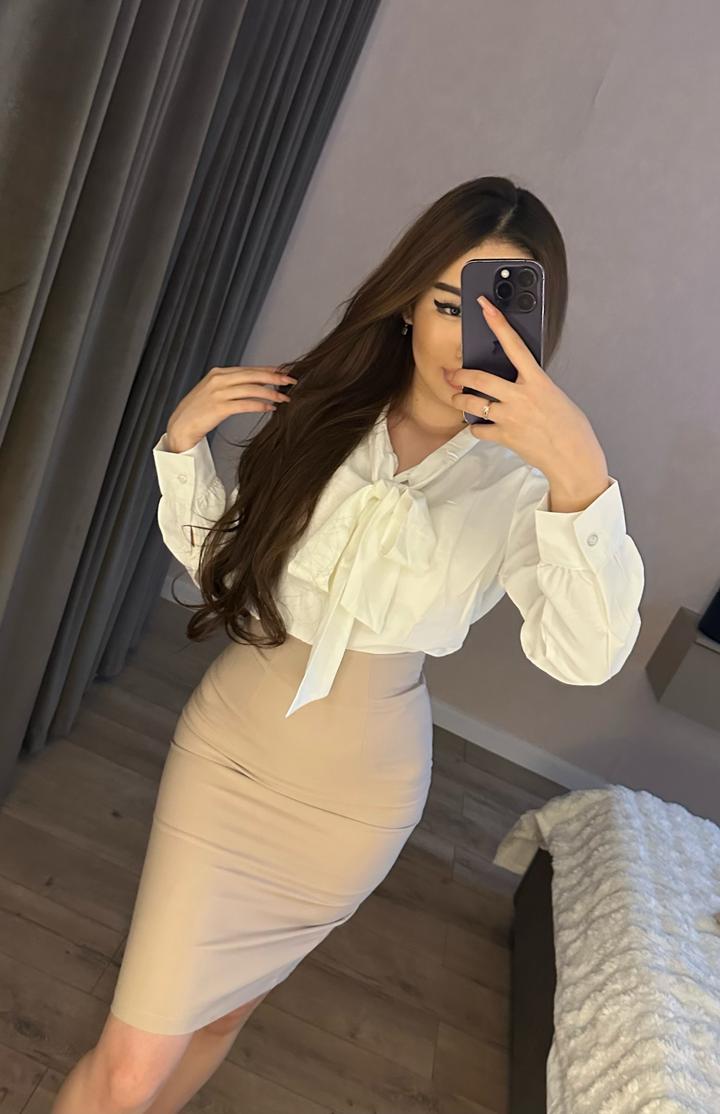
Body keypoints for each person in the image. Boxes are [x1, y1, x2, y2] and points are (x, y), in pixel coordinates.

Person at [52, 176, 644, 1113]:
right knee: (130, 1061)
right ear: (407, 303)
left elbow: (584, 657)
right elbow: (230, 571)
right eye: (447, 303)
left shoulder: (532, 485)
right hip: (229, 755)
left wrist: (582, 475)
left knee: (217, 1021)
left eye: (497, 313)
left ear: (534, 327)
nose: (466, 335)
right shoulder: (320, 409)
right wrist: (182, 449)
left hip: (358, 805)